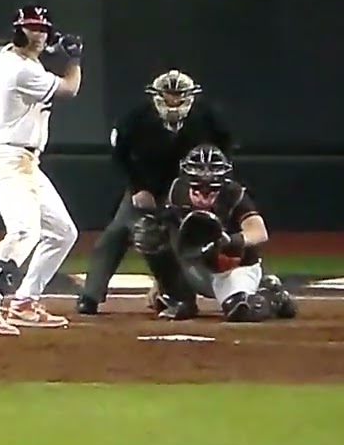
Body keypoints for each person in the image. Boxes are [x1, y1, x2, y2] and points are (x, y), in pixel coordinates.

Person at [0, 5, 84, 336]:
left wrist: (52, 46)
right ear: (18, 30)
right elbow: (70, 89)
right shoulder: (20, 69)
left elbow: (34, 54)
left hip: (27, 162)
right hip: (11, 159)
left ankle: (24, 301)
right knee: (23, 232)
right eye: (31, 28)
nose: (38, 34)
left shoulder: (22, 60)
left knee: (62, 232)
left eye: (43, 28)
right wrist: (74, 59)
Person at [75, 69, 234, 315]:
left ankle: (183, 294)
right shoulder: (136, 119)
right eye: (169, 95)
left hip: (189, 191)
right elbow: (120, 156)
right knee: (117, 234)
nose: (174, 101)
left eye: (179, 95)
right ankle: (90, 295)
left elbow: (224, 153)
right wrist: (138, 187)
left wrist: (207, 187)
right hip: (147, 186)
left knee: (183, 243)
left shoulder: (207, 119)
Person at [133, 144, 296, 322]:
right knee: (149, 233)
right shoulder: (177, 192)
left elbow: (259, 231)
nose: (204, 196)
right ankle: (178, 299)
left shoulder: (233, 194)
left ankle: (271, 295)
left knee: (241, 311)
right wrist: (162, 282)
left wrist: (230, 241)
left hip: (232, 266)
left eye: (210, 190)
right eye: (199, 188)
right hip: (196, 264)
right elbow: (169, 238)